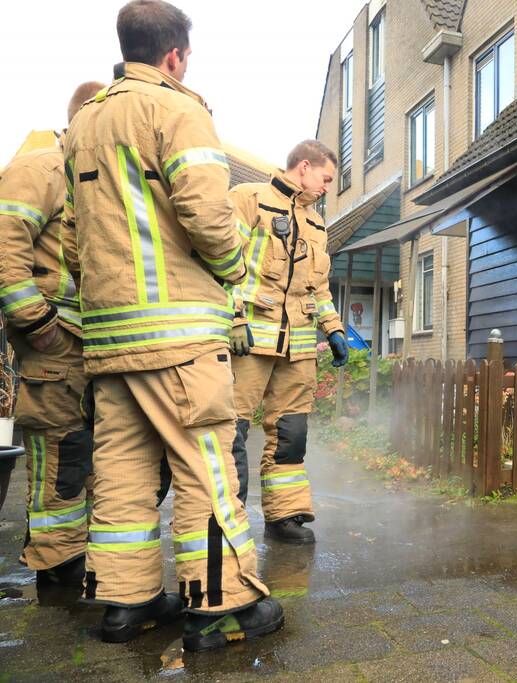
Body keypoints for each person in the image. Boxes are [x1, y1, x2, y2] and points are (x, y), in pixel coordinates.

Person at [62, 0, 282, 651]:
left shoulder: (82, 125)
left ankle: (125, 603)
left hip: (108, 336)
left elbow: (76, 237)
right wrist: (239, 267)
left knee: (123, 469)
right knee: (204, 466)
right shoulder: (179, 108)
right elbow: (209, 216)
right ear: (175, 55)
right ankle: (220, 606)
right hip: (180, 334)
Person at [0, 81, 104, 588]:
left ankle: (65, 553)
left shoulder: (85, 178)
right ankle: (56, 563)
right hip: (55, 343)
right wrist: (36, 323)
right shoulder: (40, 169)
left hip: (83, 344)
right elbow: (4, 244)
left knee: (78, 449)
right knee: (61, 453)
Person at [228, 140, 347, 544]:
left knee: (291, 432)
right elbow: (221, 263)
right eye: (326, 178)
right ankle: (229, 518)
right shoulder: (250, 200)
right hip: (250, 341)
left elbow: (320, 288)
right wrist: (233, 318)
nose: (328, 187)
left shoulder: (317, 225)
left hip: (297, 346)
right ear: (305, 167)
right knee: (232, 430)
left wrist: (333, 329)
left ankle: (285, 515)